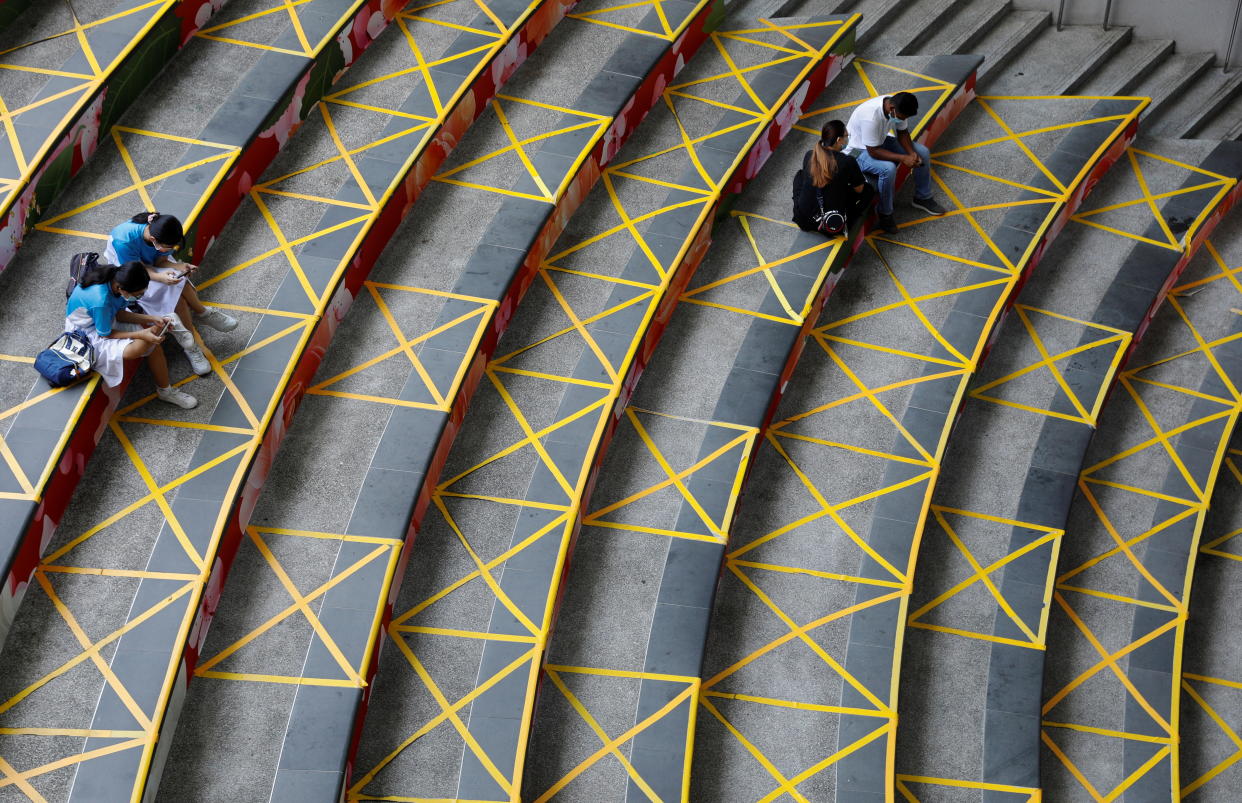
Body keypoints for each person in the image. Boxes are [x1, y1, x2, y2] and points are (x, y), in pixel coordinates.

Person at [106, 212, 237, 375]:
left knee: (178, 280)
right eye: (169, 247)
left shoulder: (160, 233)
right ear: (154, 240)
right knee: (177, 299)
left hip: (147, 267)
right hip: (134, 273)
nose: (170, 250)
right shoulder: (124, 241)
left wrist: (180, 267)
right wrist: (160, 277)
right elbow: (139, 272)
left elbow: (161, 261)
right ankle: (193, 343)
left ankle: (198, 323)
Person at [65, 261, 197, 408]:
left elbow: (120, 314)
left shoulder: (118, 281)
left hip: (105, 318)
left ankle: (165, 391)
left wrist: (153, 318)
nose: (140, 296)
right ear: (121, 289)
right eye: (138, 294)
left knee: (152, 343)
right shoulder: (101, 301)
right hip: (87, 331)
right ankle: (167, 325)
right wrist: (141, 333)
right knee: (138, 348)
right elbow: (106, 334)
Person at [844, 91, 946, 234]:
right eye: (901, 117)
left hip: (879, 140)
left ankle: (923, 198)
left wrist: (911, 153)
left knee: (923, 153)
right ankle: (885, 214)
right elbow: (873, 151)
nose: (902, 120)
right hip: (858, 149)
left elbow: (903, 133)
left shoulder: (898, 107)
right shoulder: (871, 117)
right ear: (892, 109)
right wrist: (903, 158)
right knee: (888, 169)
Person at [793, 120, 874, 234]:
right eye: (846, 137)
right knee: (868, 190)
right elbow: (859, 189)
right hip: (829, 225)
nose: (847, 140)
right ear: (838, 140)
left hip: (803, 220)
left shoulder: (810, 155)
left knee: (800, 175)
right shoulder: (847, 161)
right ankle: (851, 221)